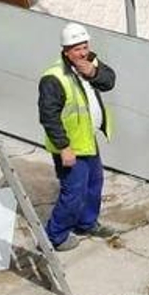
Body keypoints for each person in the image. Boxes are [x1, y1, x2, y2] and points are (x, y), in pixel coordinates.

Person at [39, 21, 117, 251]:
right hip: (70, 146)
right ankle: (54, 236)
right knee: (73, 192)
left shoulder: (90, 62)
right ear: (66, 51)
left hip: (87, 139)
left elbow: (110, 81)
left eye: (84, 46)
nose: (82, 52)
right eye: (77, 49)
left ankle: (86, 223)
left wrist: (93, 72)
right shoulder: (54, 77)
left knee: (94, 184)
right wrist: (64, 148)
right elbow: (48, 117)